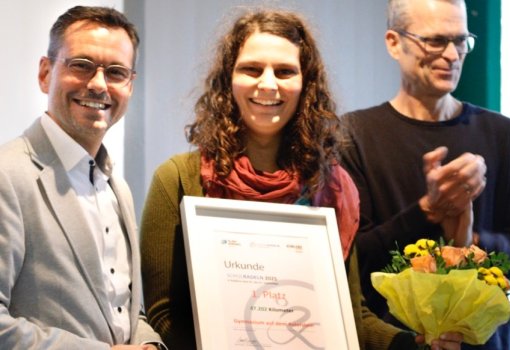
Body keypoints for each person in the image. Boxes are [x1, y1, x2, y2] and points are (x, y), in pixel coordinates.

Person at [139, 8, 462, 350]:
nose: (268, 84)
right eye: (251, 69)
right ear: (227, 79)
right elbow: (163, 316)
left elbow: (352, 319)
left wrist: (416, 346)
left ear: (305, 84)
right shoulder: (177, 180)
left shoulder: (332, 188)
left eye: (285, 71)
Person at [339, 0, 510, 348]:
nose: (452, 54)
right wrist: (427, 212)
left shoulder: (506, 136)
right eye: (435, 41)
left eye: (461, 40)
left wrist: (469, 242)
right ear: (394, 42)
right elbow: (353, 264)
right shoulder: (353, 136)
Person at [0, 6, 165, 350]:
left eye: (116, 72)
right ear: (46, 73)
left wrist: (149, 345)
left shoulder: (118, 188)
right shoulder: (7, 176)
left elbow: (123, 308)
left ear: (130, 86)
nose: (98, 84)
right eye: (81, 65)